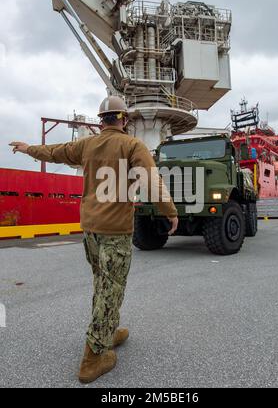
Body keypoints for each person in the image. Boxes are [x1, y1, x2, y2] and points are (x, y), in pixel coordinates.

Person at [9, 96, 178, 384]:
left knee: (102, 284)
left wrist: (29, 150)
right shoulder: (132, 145)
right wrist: (170, 212)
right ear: (124, 119)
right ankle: (93, 357)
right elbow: (150, 180)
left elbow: (55, 152)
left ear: (102, 120)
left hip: (90, 231)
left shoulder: (86, 145)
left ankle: (108, 331)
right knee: (110, 291)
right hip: (115, 232)